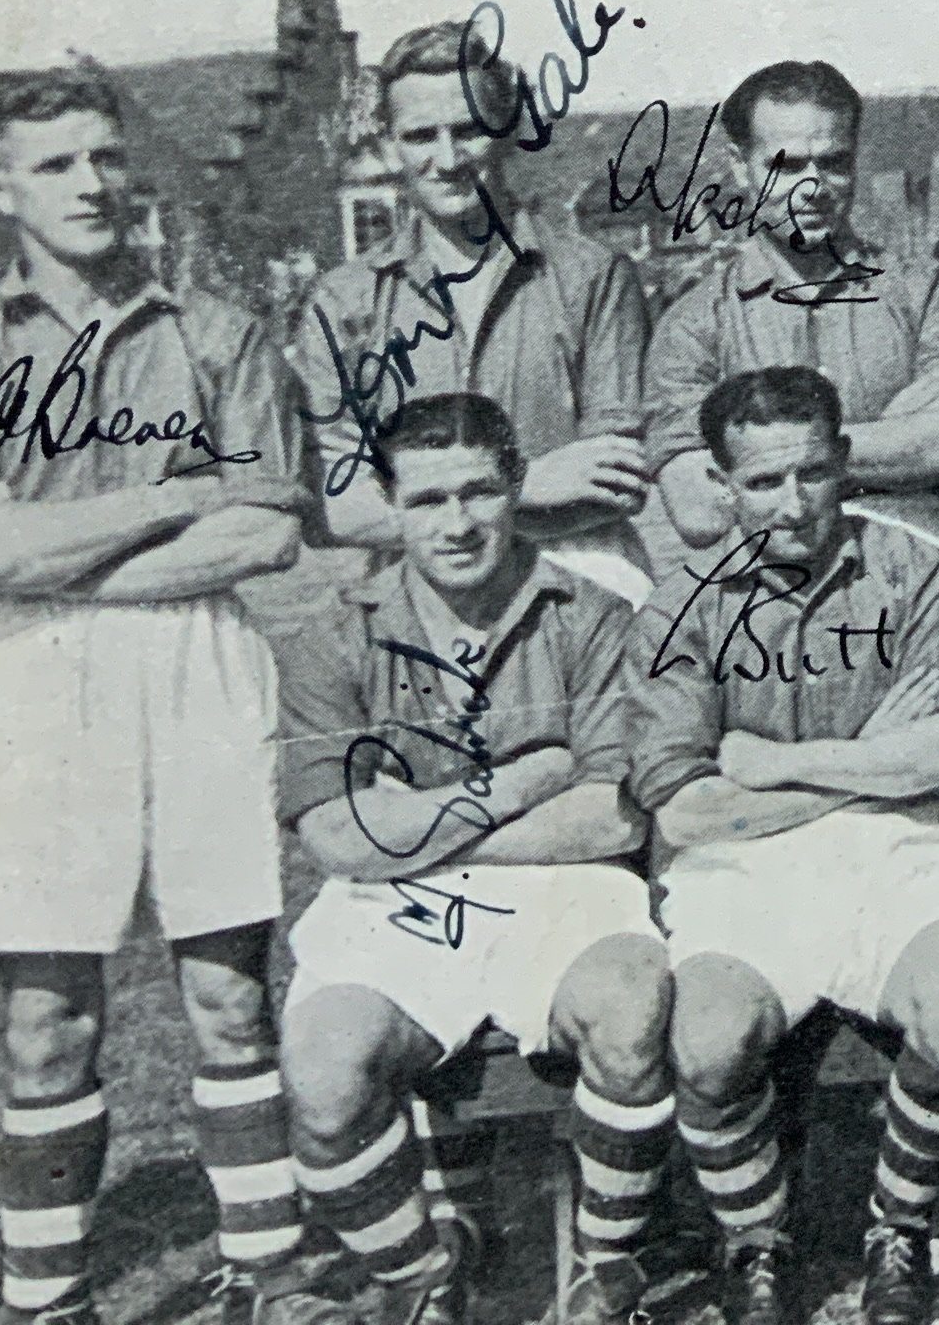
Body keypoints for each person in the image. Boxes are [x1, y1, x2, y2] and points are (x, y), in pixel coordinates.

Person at [0, 67, 309, 1322]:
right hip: (20, 687)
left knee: (230, 997)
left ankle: (268, 1274)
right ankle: (47, 1299)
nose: (91, 185)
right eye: (58, 164)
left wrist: (54, 545)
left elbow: (265, 536)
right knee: (46, 1023)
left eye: (105, 159)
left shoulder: (219, 334)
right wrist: (173, 493)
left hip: (193, 664)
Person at [272, 393, 674, 1325]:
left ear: (518, 489)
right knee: (324, 1070)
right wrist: (520, 782)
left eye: (479, 493)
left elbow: (614, 820)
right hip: (396, 909)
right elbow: (335, 838)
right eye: (426, 501)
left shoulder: (598, 614)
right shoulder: (332, 635)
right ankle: (423, 1273)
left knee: (630, 1002)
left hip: (564, 891)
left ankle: (604, 1270)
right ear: (389, 505)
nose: (456, 524)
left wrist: (410, 820)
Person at [636, 368, 939, 1325]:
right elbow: (685, 813)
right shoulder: (680, 605)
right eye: (762, 482)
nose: (791, 504)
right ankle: (758, 1240)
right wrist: (874, 756)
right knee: (709, 1047)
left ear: (844, 464)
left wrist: (766, 763)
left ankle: (898, 1230)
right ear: (722, 484)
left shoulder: (913, 567)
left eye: (810, 473)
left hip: (898, 841)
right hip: (741, 868)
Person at [288, 18, 661, 602]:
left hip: (579, 576)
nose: (447, 157)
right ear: (387, 144)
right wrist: (528, 487)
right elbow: (333, 508)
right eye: (420, 136)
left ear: (508, 130)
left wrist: (424, 503)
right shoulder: (343, 303)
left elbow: (614, 479)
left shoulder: (594, 276)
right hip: (414, 593)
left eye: (469, 130)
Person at [638, 65, 939, 563]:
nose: (813, 186)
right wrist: (892, 436)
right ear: (741, 166)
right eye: (787, 165)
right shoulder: (694, 326)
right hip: (768, 601)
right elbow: (698, 508)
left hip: (916, 581)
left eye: (834, 162)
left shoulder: (924, 290)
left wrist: (758, 465)